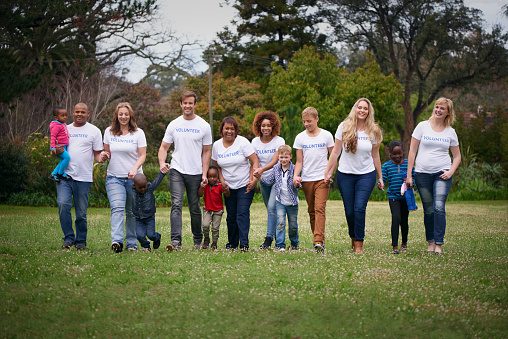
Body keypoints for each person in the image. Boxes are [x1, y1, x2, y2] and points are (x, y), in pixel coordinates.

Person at [324, 98, 383, 254]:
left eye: (365, 108)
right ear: (355, 109)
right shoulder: (344, 127)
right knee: (349, 211)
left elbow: (376, 156)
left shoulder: (374, 130)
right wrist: (327, 171)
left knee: (359, 208)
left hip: (366, 175)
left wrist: (380, 177)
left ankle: (359, 243)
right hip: (345, 175)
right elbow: (336, 152)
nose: (362, 110)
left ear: (369, 112)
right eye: (359, 107)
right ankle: (353, 235)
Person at [406, 97, 461, 255]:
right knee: (429, 209)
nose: (438, 110)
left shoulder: (451, 132)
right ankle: (430, 241)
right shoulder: (422, 127)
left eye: (442, 108)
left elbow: (457, 156)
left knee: (438, 207)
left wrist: (450, 171)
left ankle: (438, 244)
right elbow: (412, 151)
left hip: (442, 173)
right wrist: (409, 174)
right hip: (422, 173)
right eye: (436, 107)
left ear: (448, 112)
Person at [158, 90, 212, 250]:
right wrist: (162, 162)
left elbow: (207, 151)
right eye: (185, 103)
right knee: (176, 204)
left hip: (195, 172)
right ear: (181, 104)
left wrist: (204, 174)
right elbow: (163, 147)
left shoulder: (204, 125)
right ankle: (175, 242)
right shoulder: (174, 124)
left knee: (194, 207)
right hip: (177, 170)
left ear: (195, 105)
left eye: (191, 103)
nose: (187, 106)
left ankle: (197, 240)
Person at [53, 103, 104, 250]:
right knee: (63, 205)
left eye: (83, 112)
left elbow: (97, 155)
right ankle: (68, 238)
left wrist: (102, 158)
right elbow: (53, 151)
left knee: (81, 213)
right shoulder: (64, 129)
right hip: (64, 176)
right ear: (72, 113)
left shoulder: (94, 131)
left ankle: (81, 241)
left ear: (88, 114)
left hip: (83, 178)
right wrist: (56, 150)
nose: (79, 114)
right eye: (77, 112)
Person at [102, 102, 147, 253]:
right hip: (114, 177)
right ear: (116, 115)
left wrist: (134, 169)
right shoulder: (109, 132)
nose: (123, 116)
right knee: (117, 208)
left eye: (126, 114)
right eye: (120, 114)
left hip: (134, 179)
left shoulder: (138, 133)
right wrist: (103, 155)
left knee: (132, 211)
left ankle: (132, 244)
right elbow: (107, 152)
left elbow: (142, 155)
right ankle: (116, 241)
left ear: (130, 116)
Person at [212, 117, 259, 251]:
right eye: (227, 128)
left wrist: (253, 180)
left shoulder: (242, 142)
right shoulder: (216, 145)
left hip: (244, 185)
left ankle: (244, 244)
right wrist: (222, 182)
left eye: (232, 128)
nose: (229, 131)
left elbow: (255, 162)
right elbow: (217, 167)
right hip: (228, 187)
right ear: (222, 129)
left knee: (242, 214)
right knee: (231, 217)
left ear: (236, 130)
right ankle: (232, 244)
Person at [293, 107, 334, 252]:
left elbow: (333, 157)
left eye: (309, 121)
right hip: (307, 179)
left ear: (317, 119)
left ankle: (318, 241)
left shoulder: (326, 135)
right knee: (311, 211)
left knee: (319, 209)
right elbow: (299, 161)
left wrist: (329, 173)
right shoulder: (300, 138)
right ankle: (318, 239)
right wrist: (295, 176)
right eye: (304, 121)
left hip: (322, 179)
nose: (306, 124)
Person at [251, 111, 285, 249]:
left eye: (269, 126)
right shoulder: (254, 142)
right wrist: (255, 178)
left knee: (272, 207)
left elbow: (275, 160)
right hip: (262, 179)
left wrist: (261, 170)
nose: (266, 128)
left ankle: (268, 239)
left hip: (276, 177)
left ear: (273, 127)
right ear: (259, 126)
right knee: (270, 209)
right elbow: (255, 161)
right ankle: (278, 235)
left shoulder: (279, 141)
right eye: (263, 125)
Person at [260, 145, 300, 251]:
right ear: (278, 157)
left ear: (291, 156)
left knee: (293, 226)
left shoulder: (294, 168)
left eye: (286, 157)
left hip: (292, 202)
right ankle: (280, 245)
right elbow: (269, 181)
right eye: (281, 157)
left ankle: (295, 243)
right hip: (280, 201)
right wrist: (260, 177)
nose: (283, 160)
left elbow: (298, 185)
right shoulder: (276, 168)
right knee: (280, 223)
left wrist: (297, 183)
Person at [379, 140, 416, 254]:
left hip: (406, 198)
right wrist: (380, 184)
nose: (397, 156)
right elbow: (383, 178)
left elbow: (414, 178)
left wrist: (411, 181)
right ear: (389, 153)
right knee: (396, 218)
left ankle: (404, 243)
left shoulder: (408, 164)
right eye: (394, 154)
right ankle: (394, 246)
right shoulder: (386, 166)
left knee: (404, 220)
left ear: (403, 152)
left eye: (399, 153)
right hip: (393, 196)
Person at [132, 164, 170, 252]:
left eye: (144, 186)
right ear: (135, 186)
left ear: (146, 183)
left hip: (149, 217)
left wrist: (162, 173)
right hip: (138, 217)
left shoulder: (149, 188)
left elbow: (157, 181)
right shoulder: (132, 190)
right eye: (140, 188)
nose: (142, 189)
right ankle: (146, 246)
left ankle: (157, 237)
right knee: (139, 235)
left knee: (151, 235)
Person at [198, 165, 230, 250]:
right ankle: (206, 239)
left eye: (214, 177)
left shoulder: (220, 185)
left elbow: (227, 195)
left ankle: (214, 242)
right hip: (207, 209)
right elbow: (200, 194)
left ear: (218, 176)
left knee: (215, 228)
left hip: (218, 210)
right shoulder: (206, 185)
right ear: (207, 177)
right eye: (210, 176)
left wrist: (226, 190)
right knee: (205, 225)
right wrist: (201, 187)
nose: (212, 179)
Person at [48, 107, 71, 182]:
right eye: (62, 115)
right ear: (56, 117)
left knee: (62, 161)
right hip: (59, 147)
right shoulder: (56, 125)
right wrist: (53, 147)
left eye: (66, 115)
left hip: (64, 145)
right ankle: (60, 173)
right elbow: (53, 136)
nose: (65, 117)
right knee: (67, 158)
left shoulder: (63, 124)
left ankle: (53, 174)